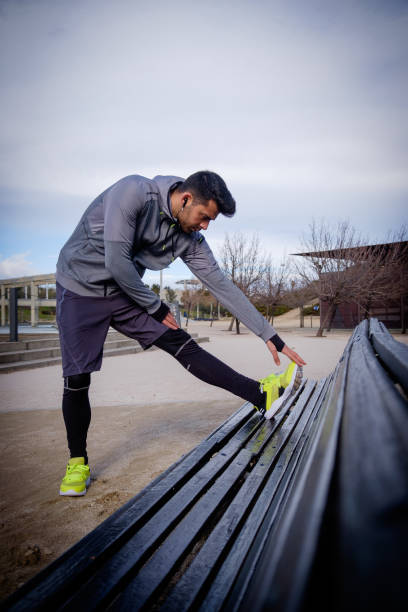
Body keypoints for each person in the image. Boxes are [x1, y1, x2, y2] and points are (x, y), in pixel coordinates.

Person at [56, 170, 306, 496]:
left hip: (124, 291)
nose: (205, 226)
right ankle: (77, 462)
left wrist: (269, 334)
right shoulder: (133, 192)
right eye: (204, 217)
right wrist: (156, 306)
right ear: (186, 199)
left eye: (210, 221)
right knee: (77, 378)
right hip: (79, 286)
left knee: (180, 341)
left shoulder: (189, 237)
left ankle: (263, 397)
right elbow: (116, 262)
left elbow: (222, 285)